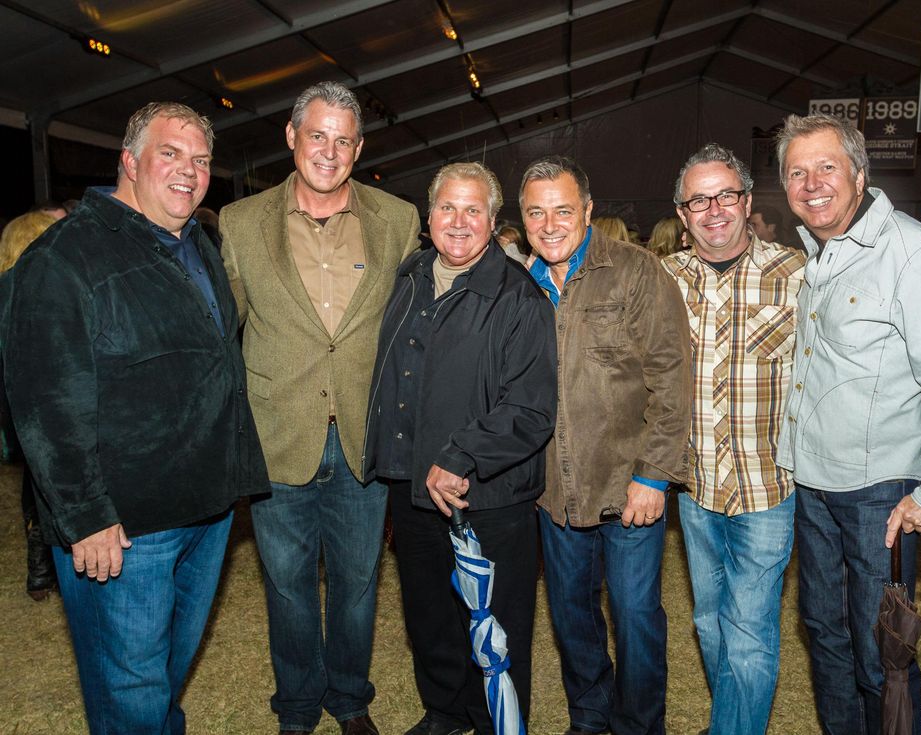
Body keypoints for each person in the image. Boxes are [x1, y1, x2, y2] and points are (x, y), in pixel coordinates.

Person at [1, 101, 268, 733]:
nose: (189, 171)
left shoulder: (196, 242)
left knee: (164, 674)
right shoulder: (65, 258)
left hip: (203, 510)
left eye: (200, 161)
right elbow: (43, 401)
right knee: (129, 682)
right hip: (125, 528)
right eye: (170, 154)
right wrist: (85, 514)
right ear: (129, 161)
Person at [219, 81, 420, 735]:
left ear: (358, 147)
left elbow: (416, 327)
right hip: (280, 436)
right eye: (317, 135)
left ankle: (350, 698)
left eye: (343, 139)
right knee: (287, 586)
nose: (329, 151)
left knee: (359, 584)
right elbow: (223, 332)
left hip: (365, 437)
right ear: (291, 136)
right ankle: (299, 706)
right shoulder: (242, 222)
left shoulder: (397, 218)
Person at [775, 113, 921, 735]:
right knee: (827, 638)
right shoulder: (820, 255)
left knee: (882, 655)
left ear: (860, 175)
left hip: (879, 495)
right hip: (814, 484)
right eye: (796, 172)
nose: (812, 184)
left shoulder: (914, 255)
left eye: (827, 167)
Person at [363, 162, 557, 735]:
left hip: (485, 496)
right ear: (429, 216)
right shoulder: (411, 277)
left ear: (494, 222)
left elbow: (530, 408)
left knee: (494, 620)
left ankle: (493, 719)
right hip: (414, 486)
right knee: (429, 614)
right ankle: (444, 712)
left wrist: (462, 455)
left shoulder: (519, 296)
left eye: (474, 210)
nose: (459, 221)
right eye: (448, 207)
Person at [521, 155, 691, 735]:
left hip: (628, 484)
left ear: (588, 211)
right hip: (554, 489)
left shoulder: (637, 272)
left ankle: (640, 725)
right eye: (536, 212)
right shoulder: (520, 285)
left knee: (636, 615)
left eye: (563, 210)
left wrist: (654, 475)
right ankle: (589, 718)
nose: (550, 224)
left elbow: (672, 377)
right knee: (571, 615)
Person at [661, 144, 804, 735]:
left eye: (725, 195)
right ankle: (734, 720)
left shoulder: (797, 274)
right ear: (681, 210)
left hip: (768, 486)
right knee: (709, 622)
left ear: (747, 202)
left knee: (748, 633)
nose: (713, 209)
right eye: (699, 199)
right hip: (695, 489)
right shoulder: (663, 279)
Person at [0, 210, 59, 601]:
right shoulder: (40, 292)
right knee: (51, 480)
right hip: (42, 407)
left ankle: (39, 570)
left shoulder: (6, 287)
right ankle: (46, 564)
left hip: (14, 413)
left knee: (36, 479)